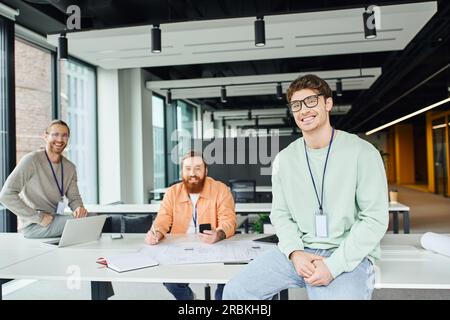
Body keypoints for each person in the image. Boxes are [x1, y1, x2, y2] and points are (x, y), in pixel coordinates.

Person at [223, 74, 389, 300]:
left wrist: (333, 266)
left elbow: (375, 219)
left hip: (348, 253)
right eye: (296, 105)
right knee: (235, 293)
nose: (304, 110)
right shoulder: (284, 159)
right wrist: (294, 252)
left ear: (328, 103)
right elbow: (281, 214)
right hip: (300, 251)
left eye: (311, 101)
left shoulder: (363, 153)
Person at [145, 151, 236, 300]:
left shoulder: (221, 189)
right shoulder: (172, 193)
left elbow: (228, 220)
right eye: (187, 169)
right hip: (180, 248)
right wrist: (156, 233)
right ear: (182, 171)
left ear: (206, 171)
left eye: (198, 168)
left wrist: (218, 233)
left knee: (227, 282)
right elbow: (163, 219)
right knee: (170, 281)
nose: (192, 173)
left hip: (215, 246)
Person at [0, 120, 88, 238]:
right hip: (34, 225)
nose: (60, 140)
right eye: (55, 134)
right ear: (45, 136)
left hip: (55, 220)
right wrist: (38, 217)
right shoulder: (31, 160)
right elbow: (6, 195)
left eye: (64, 136)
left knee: (92, 218)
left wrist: (79, 208)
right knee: (90, 222)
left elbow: (74, 198)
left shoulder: (69, 168)